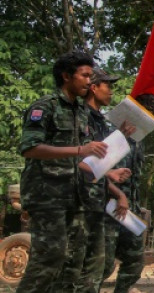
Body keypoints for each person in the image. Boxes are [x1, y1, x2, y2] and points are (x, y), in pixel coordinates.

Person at [17, 51, 106, 293]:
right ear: (67, 76)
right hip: (47, 196)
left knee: (73, 261)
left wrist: (108, 172)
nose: (90, 81)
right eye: (85, 75)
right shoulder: (44, 107)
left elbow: (77, 158)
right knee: (49, 257)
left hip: (75, 195)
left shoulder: (81, 111)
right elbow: (30, 148)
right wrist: (80, 149)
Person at [70, 69, 135, 293]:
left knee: (97, 267)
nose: (111, 91)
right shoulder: (79, 117)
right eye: (108, 85)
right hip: (77, 202)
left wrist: (113, 184)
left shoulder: (100, 121)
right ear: (94, 88)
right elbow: (77, 160)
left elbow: (95, 167)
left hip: (97, 202)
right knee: (74, 267)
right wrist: (109, 174)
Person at [102, 93, 154, 293]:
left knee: (135, 260)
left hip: (127, 212)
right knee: (103, 265)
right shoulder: (110, 133)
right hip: (105, 210)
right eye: (153, 116)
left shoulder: (138, 140)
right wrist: (118, 195)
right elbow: (93, 172)